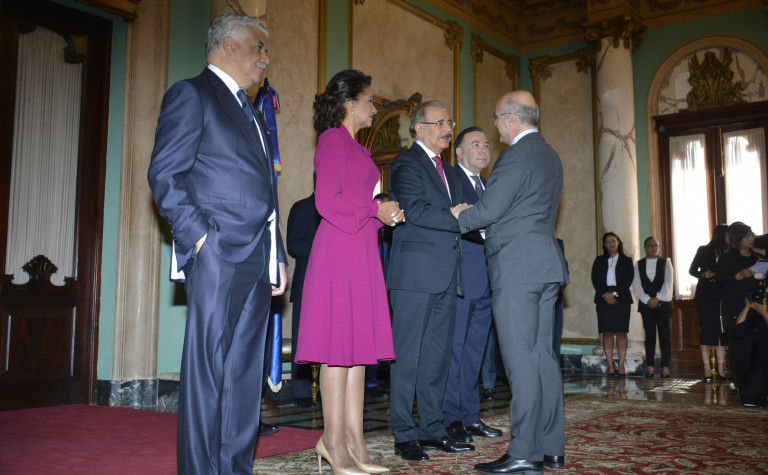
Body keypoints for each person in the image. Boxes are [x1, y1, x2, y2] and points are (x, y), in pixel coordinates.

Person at [146, 13, 287, 474]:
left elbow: (266, 191)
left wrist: (277, 255)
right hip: (217, 254)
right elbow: (165, 174)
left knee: (244, 379)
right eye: (259, 47)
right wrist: (200, 238)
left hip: (258, 257)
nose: (265, 58)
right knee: (207, 375)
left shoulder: (254, 111)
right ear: (228, 45)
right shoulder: (192, 94)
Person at [453, 90, 568, 474]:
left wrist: (458, 216)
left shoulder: (516, 155)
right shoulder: (550, 154)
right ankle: (551, 448)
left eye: (497, 117)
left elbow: (491, 208)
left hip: (518, 270)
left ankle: (524, 453)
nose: (495, 124)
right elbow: (522, 211)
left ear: (512, 118)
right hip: (545, 267)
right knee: (543, 359)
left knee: (521, 362)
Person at [295, 69, 402, 475]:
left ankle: (356, 441)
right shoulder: (332, 140)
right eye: (370, 100)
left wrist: (384, 214)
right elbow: (327, 202)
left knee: (357, 353)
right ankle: (333, 441)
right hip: (338, 252)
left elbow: (359, 204)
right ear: (349, 102)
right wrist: (375, 209)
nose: (374, 108)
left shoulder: (359, 148)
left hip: (361, 250)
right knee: (338, 351)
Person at [387, 100, 474, 462]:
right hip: (414, 275)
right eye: (440, 123)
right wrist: (458, 216)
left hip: (447, 275)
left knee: (437, 357)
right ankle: (405, 433)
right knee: (407, 357)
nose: (448, 129)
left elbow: (457, 216)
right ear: (419, 128)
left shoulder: (450, 172)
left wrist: (470, 218)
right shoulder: (406, 163)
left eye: (450, 122)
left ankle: (433, 429)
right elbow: (417, 210)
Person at [441, 127, 502, 444]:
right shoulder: (449, 180)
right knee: (454, 350)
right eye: (475, 144)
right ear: (459, 152)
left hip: (489, 279)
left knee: (475, 352)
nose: (483, 150)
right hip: (461, 278)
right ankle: (450, 418)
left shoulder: (490, 186)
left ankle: (470, 416)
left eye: (486, 145)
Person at [286, 186, 321, 407]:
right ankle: (301, 392)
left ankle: (326, 390)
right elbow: (294, 244)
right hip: (307, 284)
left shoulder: (337, 210)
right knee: (303, 338)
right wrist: (324, 249)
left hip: (332, 286)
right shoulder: (303, 207)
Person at [716, 222, 761, 388]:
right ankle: (740, 383)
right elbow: (719, 280)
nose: (751, 239)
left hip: (756, 307)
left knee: (755, 345)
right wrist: (737, 276)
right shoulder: (727, 258)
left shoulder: (756, 258)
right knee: (738, 345)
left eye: (751, 235)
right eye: (747, 237)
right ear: (738, 239)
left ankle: (755, 383)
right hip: (734, 306)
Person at [689, 224, 729, 382]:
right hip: (705, 296)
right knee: (706, 330)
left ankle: (721, 368)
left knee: (722, 332)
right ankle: (707, 368)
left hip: (723, 295)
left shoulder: (730, 252)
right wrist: (703, 274)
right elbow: (692, 270)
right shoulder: (703, 250)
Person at [591, 232, 634, 377]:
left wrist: (614, 294)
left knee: (621, 332)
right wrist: (605, 294)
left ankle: (621, 366)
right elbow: (595, 280)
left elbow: (628, 280)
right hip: (603, 299)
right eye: (608, 242)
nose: (611, 244)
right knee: (607, 332)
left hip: (622, 299)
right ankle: (610, 366)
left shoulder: (626, 260)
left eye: (613, 241)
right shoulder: (599, 261)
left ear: (618, 242)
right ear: (604, 245)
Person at [632, 237, 675, 378]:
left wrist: (657, 298)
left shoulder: (666, 262)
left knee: (665, 335)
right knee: (650, 335)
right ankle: (650, 365)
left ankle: (665, 365)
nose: (654, 248)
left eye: (656, 245)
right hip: (646, 305)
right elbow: (636, 285)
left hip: (663, 304)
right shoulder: (639, 264)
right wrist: (647, 300)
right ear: (645, 247)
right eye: (650, 245)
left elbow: (668, 283)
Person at [732, 296, 768, 407]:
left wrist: (764, 312)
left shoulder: (762, 313)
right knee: (750, 397)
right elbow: (737, 332)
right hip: (757, 365)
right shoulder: (754, 315)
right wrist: (747, 307)